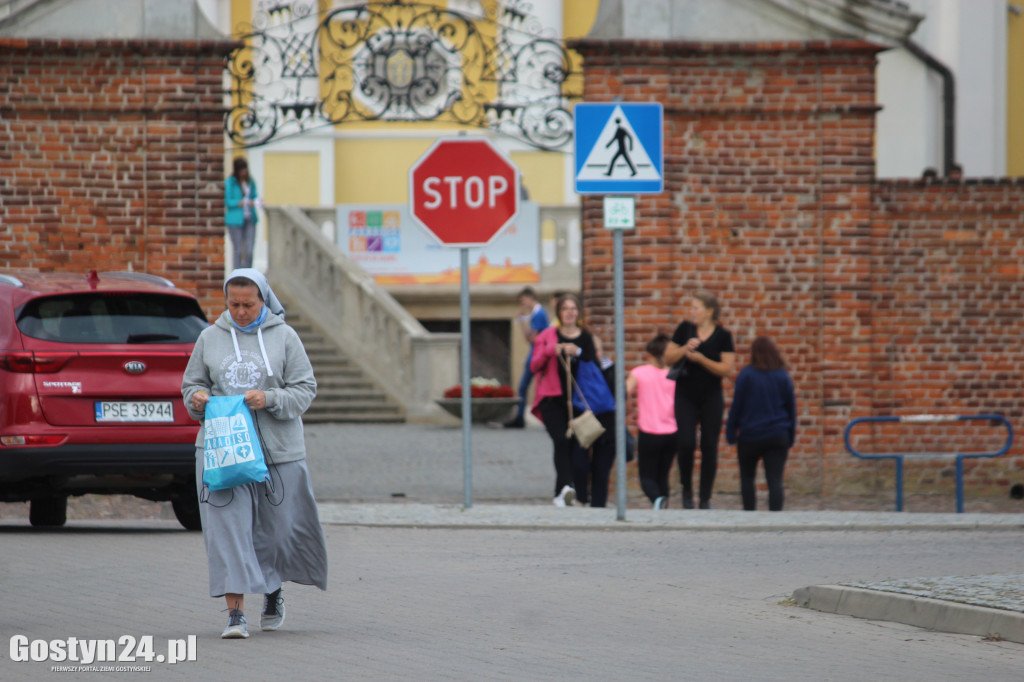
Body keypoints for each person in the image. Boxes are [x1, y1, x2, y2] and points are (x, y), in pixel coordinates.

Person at [182, 268, 327, 639]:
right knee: (227, 531)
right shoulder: (209, 337)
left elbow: (305, 389)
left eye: (249, 304)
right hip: (222, 451)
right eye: (234, 304)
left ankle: (273, 588)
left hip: (277, 452)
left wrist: (270, 398)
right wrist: (197, 400)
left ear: (264, 300)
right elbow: (191, 385)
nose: (241, 311)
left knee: (278, 532)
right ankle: (234, 615)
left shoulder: (286, 337)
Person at [530, 293, 615, 507]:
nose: (569, 313)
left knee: (576, 447)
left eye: (573, 309)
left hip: (579, 401)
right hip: (552, 398)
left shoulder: (585, 336)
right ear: (559, 312)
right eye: (565, 309)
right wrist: (552, 350)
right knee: (561, 440)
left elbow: (594, 364)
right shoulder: (548, 335)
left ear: (578, 313)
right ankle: (564, 489)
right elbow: (534, 365)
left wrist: (577, 351)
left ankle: (570, 492)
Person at [663, 291, 735, 509]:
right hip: (685, 394)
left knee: (709, 446)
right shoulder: (685, 329)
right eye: (691, 308)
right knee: (685, 442)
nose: (692, 312)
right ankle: (686, 490)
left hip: (711, 396)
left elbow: (726, 368)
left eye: (696, 308)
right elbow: (668, 357)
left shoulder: (723, 335)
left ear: (709, 311)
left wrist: (702, 359)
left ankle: (705, 498)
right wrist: (685, 349)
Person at [726, 336, 797, 511]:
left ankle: (749, 514)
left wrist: (731, 431)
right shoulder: (782, 375)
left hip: (750, 435)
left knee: (747, 478)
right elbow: (791, 409)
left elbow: (737, 406)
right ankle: (775, 517)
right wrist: (790, 435)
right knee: (775, 479)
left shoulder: (746, 375)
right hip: (777, 434)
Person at [626, 334, 678, 509]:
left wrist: (631, 410)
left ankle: (657, 499)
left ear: (650, 353)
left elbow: (625, 391)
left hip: (649, 430)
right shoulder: (674, 374)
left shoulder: (640, 373)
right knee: (663, 475)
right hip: (672, 431)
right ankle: (663, 505)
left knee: (646, 476)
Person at [504, 287, 549, 428]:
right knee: (532, 387)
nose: (523, 303)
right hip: (537, 355)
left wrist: (522, 322)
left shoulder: (538, 314)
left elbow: (531, 339)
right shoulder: (537, 314)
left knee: (526, 386)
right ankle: (521, 417)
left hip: (537, 356)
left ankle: (520, 418)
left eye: (523, 300)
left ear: (530, 298)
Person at [225, 157, 261, 269]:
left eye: (245, 169)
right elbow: (228, 201)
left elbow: (254, 196)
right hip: (235, 220)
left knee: (249, 250)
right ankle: (237, 273)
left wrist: (256, 201)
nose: (243, 172)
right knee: (238, 250)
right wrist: (240, 202)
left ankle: (248, 273)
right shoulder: (230, 182)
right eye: (241, 170)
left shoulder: (250, 181)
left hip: (249, 219)